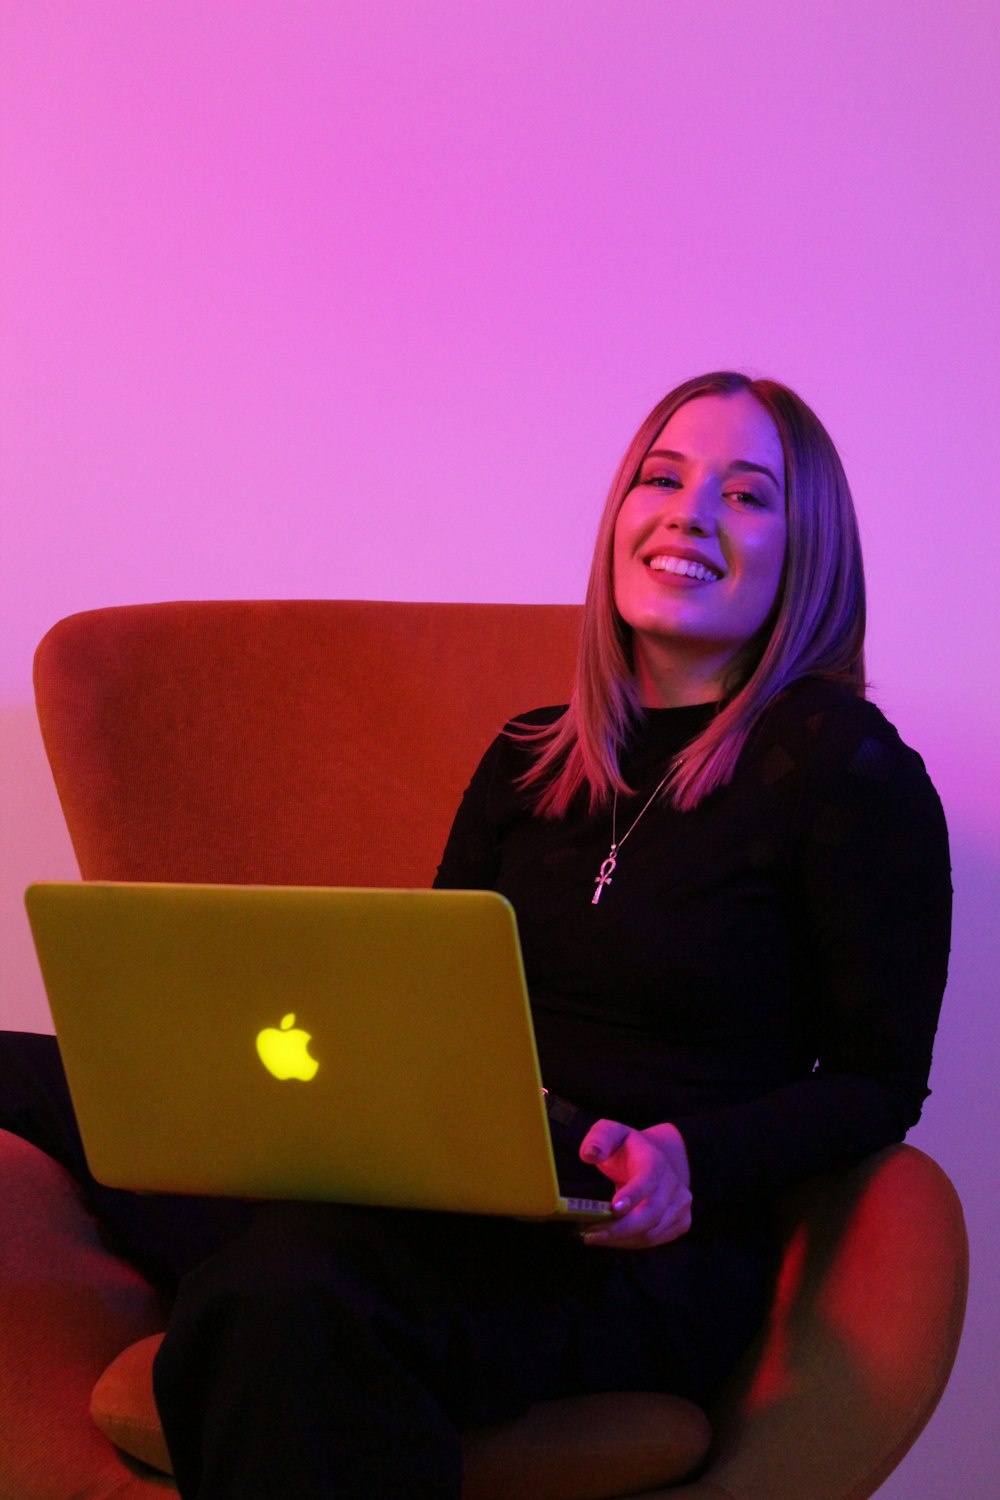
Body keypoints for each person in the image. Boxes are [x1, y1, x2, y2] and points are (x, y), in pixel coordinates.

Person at [0, 371, 951, 1499]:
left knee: (288, 1294)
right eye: (663, 477)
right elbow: (433, 1001)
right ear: (620, 520)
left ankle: (273, 1286)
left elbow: (874, 1082)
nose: (690, 512)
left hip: (625, 1246)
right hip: (442, 1191)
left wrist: (686, 1160)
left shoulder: (848, 772)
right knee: (47, 1083)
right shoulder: (527, 755)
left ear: (810, 553)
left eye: (748, 496)